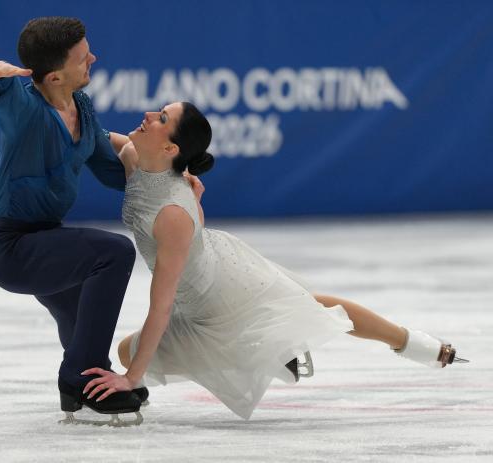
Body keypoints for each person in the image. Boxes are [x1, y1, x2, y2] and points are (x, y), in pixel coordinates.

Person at [81, 102, 468, 420]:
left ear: (170, 150)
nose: (149, 115)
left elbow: (161, 304)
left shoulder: (171, 214)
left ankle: (415, 343)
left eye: (162, 119)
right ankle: (273, 351)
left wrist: (131, 380)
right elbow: (92, 137)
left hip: (218, 300)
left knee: (316, 308)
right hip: (215, 264)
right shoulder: (136, 154)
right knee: (128, 351)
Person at [0, 16, 149, 423]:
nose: (93, 59)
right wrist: (1, 75)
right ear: (54, 76)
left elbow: (112, 170)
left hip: (46, 240)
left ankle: (89, 377)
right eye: (83, 57)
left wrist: (167, 172)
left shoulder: (80, 106)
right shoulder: (26, 111)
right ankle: (77, 380)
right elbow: (8, 96)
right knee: (114, 253)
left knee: (82, 311)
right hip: (11, 247)